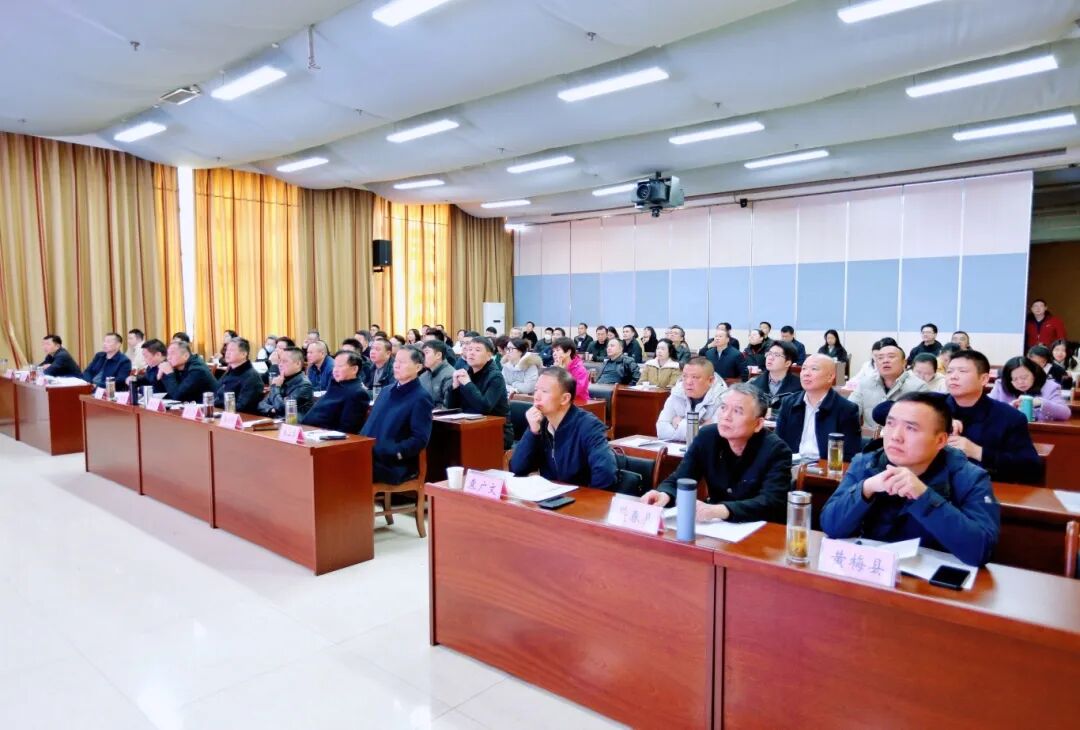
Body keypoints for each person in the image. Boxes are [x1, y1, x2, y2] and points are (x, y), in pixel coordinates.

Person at [820, 392, 999, 567]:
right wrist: (866, 488)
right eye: (890, 424)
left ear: (940, 440)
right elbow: (831, 526)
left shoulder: (970, 478)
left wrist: (923, 496)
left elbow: (981, 550)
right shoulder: (866, 463)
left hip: (930, 579)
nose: (895, 436)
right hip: (873, 571)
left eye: (911, 428)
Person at [643, 384, 792, 523]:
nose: (726, 416)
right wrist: (664, 494)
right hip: (716, 525)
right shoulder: (707, 436)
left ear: (758, 424)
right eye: (723, 407)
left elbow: (772, 502)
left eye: (737, 411)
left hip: (758, 528)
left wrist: (720, 510)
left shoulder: (776, 450)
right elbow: (681, 477)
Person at [944, 349, 1041, 484]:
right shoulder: (932, 408)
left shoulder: (1010, 417)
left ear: (984, 379)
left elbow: (1030, 466)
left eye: (962, 371)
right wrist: (941, 420)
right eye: (949, 371)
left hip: (986, 488)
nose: (953, 376)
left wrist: (978, 452)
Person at [509, 367, 617, 489]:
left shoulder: (588, 425)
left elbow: (606, 474)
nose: (536, 397)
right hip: (551, 494)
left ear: (565, 398)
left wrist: (585, 498)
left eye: (544, 391)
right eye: (535, 390)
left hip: (580, 496)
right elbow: (517, 468)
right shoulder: (540, 423)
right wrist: (533, 432)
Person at [361, 346, 434, 484]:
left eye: (403, 362)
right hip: (370, 455)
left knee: (350, 469)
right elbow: (370, 426)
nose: (396, 365)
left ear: (418, 367)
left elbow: (420, 439)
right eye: (396, 361)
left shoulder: (421, 397)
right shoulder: (386, 391)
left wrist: (393, 452)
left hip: (393, 463)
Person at [774, 354, 861, 461]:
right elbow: (777, 444)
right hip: (790, 465)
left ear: (830, 376)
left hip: (825, 468)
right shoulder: (788, 403)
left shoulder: (846, 409)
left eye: (814, 369)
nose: (806, 373)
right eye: (804, 368)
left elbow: (850, 455)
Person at [448, 336, 514, 448]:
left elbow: (484, 408)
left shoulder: (496, 377)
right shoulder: (467, 373)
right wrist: (455, 387)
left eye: (477, 350)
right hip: (469, 426)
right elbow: (451, 408)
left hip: (496, 431)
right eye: (469, 349)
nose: (471, 353)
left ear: (489, 356)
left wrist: (468, 384)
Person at [849, 338, 927, 428]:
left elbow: (923, 422)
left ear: (904, 362)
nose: (885, 360)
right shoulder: (865, 384)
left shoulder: (919, 387)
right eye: (880, 358)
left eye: (891, 356)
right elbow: (849, 412)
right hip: (870, 436)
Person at [656, 356, 727, 442]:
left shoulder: (724, 399)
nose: (688, 382)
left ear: (710, 380)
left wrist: (679, 424)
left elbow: (713, 438)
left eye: (695, 377)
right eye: (684, 376)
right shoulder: (677, 392)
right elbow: (661, 431)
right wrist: (700, 427)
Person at [302, 350, 370, 432]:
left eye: (340, 366)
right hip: (307, 431)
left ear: (354, 369)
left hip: (323, 436)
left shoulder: (358, 393)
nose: (335, 370)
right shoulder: (335, 385)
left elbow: (347, 429)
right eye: (334, 366)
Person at [988, 356, 1070, 422]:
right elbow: (986, 409)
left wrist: (1040, 403)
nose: (1020, 382)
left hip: (1039, 433)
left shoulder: (1050, 387)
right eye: (1015, 379)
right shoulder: (1001, 386)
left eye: (1024, 377)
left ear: (1034, 374)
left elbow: (1065, 413)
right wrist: (1010, 408)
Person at [257, 346, 315, 418]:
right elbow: (261, 405)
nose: (280, 365)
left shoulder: (304, 385)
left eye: (284, 361)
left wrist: (275, 387)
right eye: (280, 361)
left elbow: (283, 408)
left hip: (295, 423)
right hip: (277, 420)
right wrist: (272, 409)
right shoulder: (281, 380)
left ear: (298, 364)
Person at [214, 337, 263, 412]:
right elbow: (216, 392)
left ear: (244, 354)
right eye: (227, 350)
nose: (227, 353)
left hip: (240, 416)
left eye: (232, 350)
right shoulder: (229, 371)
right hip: (221, 412)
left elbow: (242, 407)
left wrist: (217, 403)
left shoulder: (252, 377)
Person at [749, 341, 802, 408]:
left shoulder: (799, 387)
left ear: (787, 363)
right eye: (769, 353)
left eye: (776, 355)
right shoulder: (753, 383)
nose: (770, 358)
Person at [551, 337, 589, 404]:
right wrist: (556, 370)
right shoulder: (556, 367)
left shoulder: (580, 370)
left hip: (578, 402)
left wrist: (561, 372)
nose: (554, 354)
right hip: (560, 401)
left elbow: (574, 391)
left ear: (568, 352)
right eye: (554, 351)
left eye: (558, 350)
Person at [419, 340, 455, 408]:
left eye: (426, 353)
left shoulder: (450, 375)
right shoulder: (423, 376)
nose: (422, 357)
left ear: (438, 355)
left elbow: (447, 407)